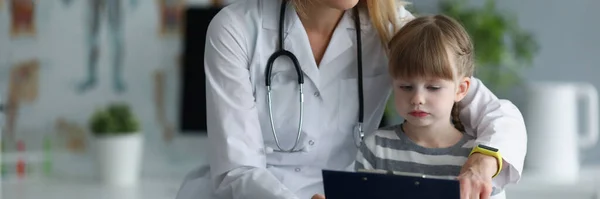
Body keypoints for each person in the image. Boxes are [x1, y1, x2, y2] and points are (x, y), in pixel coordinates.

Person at [175, 0, 527, 199]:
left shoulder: (392, 27)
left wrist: (484, 161)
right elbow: (238, 169)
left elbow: (497, 113)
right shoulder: (236, 28)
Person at [351, 14, 510, 199]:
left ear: (460, 89)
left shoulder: (475, 161)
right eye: (406, 87)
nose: (417, 98)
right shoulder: (376, 148)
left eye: (433, 88)